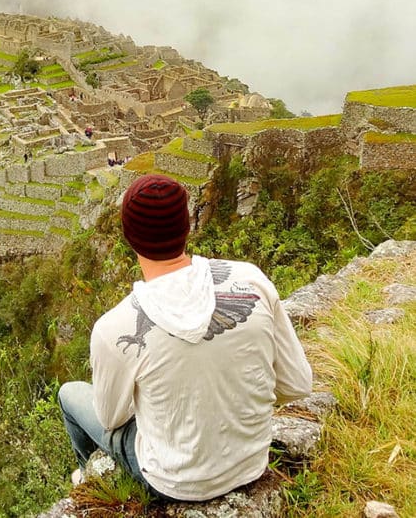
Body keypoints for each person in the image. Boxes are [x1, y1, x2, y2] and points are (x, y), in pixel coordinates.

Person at [58, 174, 312, 502]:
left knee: (69, 395)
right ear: (187, 226)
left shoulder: (114, 327)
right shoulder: (251, 279)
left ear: (129, 236)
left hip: (174, 483)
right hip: (252, 462)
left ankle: (85, 475)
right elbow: (297, 385)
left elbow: (111, 419)